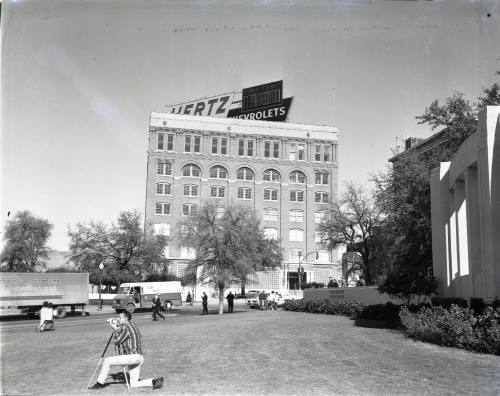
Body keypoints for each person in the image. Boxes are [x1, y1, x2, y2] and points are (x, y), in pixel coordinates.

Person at [90, 311, 164, 390]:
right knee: (133, 384)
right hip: (139, 357)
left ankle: (99, 384)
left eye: (120, 317)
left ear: (125, 319)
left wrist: (114, 328)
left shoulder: (126, 326)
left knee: (107, 361)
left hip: (132, 356)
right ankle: (154, 381)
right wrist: (116, 327)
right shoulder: (132, 325)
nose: (118, 319)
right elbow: (122, 331)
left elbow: (118, 341)